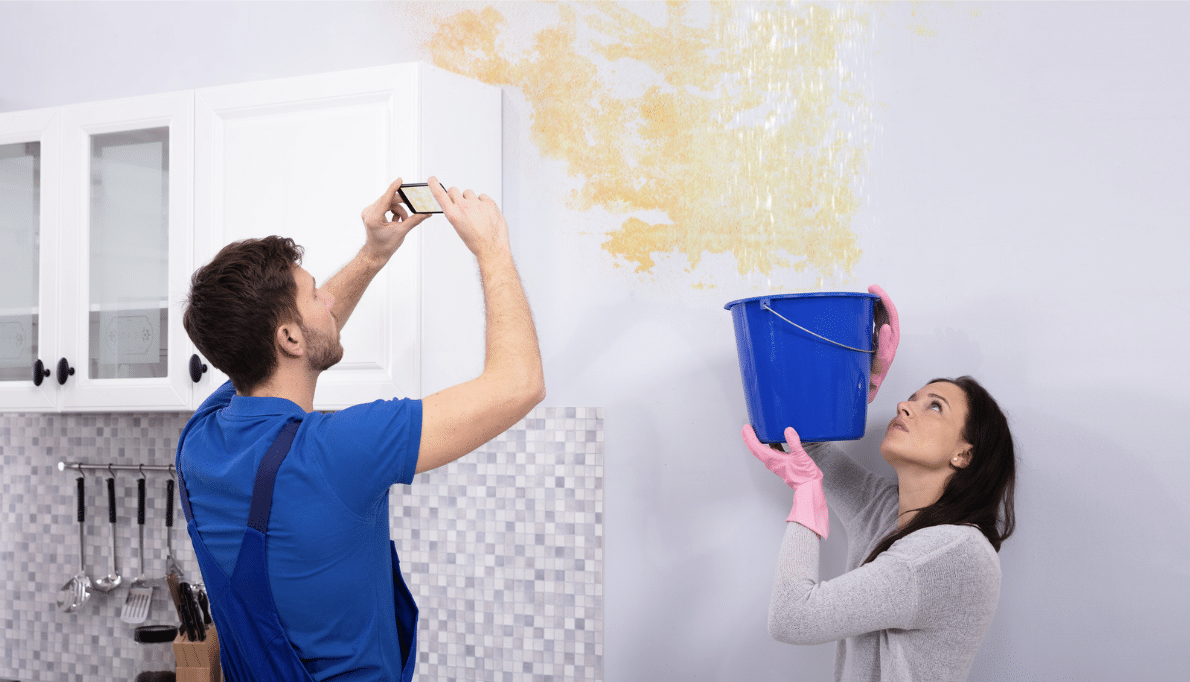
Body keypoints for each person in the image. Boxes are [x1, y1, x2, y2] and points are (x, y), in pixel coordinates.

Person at [175, 177, 544, 682]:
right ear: (287, 336)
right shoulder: (338, 451)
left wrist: (374, 255)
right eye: (314, 295)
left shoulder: (198, 442)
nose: (329, 299)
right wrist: (492, 247)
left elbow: (303, 343)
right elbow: (518, 384)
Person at [742, 286, 1016, 682]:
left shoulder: (953, 552)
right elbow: (803, 441)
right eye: (912, 398)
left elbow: (791, 617)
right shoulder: (888, 511)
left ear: (964, 454)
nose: (905, 406)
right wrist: (849, 385)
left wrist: (807, 496)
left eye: (934, 406)